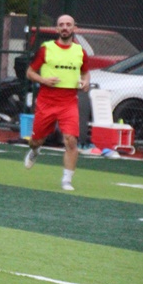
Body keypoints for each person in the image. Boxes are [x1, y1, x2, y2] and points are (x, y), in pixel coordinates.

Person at [24, 14, 90, 191]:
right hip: (46, 100)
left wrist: (85, 82)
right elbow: (30, 72)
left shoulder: (80, 52)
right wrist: (44, 80)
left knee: (70, 140)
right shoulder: (46, 49)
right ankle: (35, 151)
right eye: (61, 24)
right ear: (57, 29)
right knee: (36, 140)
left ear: (74, 28)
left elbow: (85, 73)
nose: (65, 27)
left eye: (68, 24)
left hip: (69, 102)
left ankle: (67, 180)